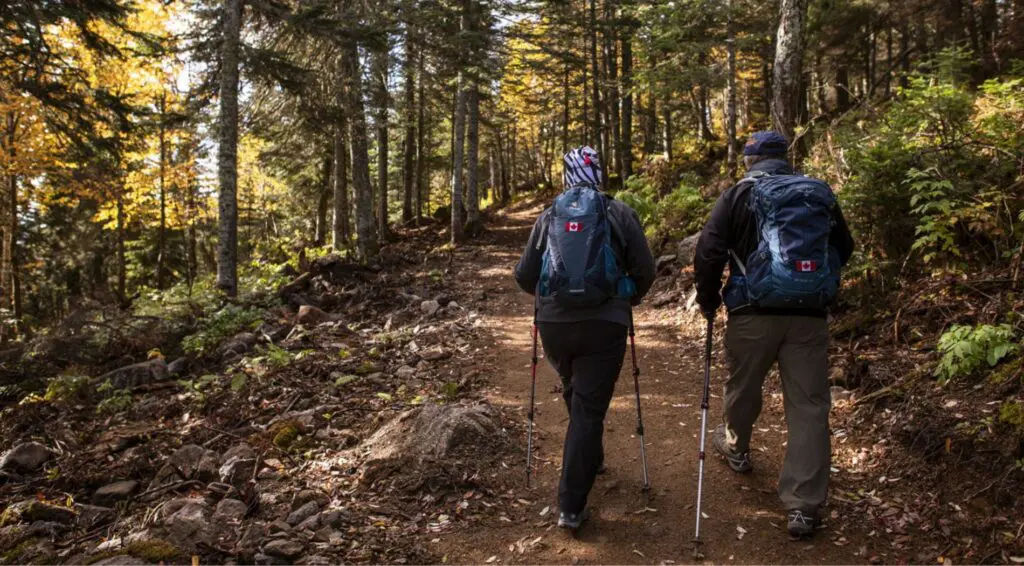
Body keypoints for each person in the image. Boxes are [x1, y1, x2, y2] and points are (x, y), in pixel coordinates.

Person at [694, 131, 855, 539]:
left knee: (744, 387)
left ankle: (736, 446)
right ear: (785, 157)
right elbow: (845, 246)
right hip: (809, 317)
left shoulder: (737, 195)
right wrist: (813, 281)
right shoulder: (816, 193)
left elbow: (709, 251)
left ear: (749, 160)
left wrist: (709, 299)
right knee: (809, 406)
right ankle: (803, 506)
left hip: (752, 312)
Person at [514, 146, 656, 530]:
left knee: (576, 394)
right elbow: (646, 269)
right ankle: (571, 505)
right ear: (599, 173)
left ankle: (589, 457)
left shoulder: (549, 216)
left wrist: (552, 300)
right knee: (588, 411)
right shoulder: (619, 212)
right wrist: (628, 299)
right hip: (604, 324)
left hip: (555, 325)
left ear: (567, 174)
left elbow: (526, 276)